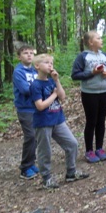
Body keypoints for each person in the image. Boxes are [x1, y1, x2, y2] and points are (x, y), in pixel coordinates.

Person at [30, 54, 89, 189]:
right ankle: (46, 178)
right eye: (46, 63)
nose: (50, 65)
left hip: (58, 119)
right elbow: (40, 106)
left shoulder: (51, 81)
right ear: (37, 66)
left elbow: (62, 97)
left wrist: (57, 81)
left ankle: (71, 172)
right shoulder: (35, 85)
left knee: (72, 143)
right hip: (43, 122)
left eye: (51, 63)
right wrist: (54, 95)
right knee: (45, 151)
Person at [71, 31, 106, 163]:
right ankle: (89, 150)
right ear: (90, 42)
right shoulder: (83, 57)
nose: (102, 40)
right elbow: (75, 75)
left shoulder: (105, 56)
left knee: (101, 121)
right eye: (99, 38)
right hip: (89, 93)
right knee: (91, 121)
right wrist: (92, 72)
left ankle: (99, 148)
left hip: (104, 92)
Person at [13, 44, 39, 180]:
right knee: (30, 136)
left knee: (36, 137)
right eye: (25, 53)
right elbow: (25, 90)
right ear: (19, 57)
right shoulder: (18, 72)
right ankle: (25, 168)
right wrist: (39, 89)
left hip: (36, 108)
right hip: (25, 109)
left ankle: (31, 163)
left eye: (31, 53)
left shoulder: (35, 71)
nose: (29, 55)